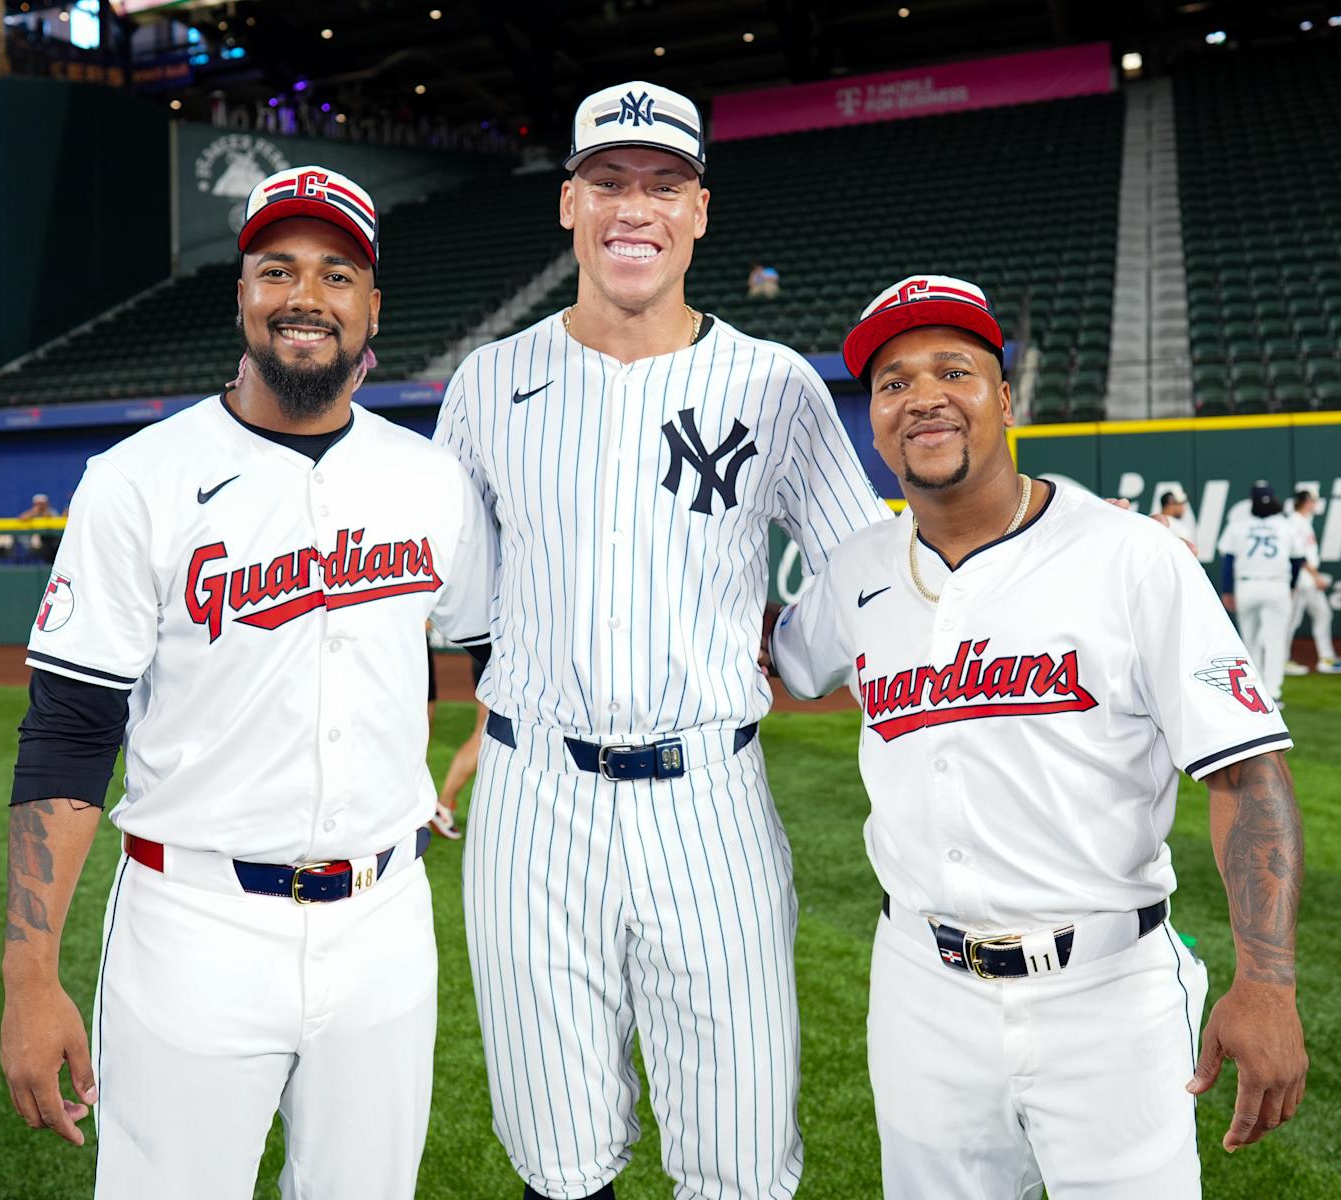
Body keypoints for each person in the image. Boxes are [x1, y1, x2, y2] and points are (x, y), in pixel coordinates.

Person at [0, 164, 494, 1198]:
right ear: (241, 297)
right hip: (193, 927)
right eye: (278, 269)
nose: (305, 295)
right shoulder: (137, 479)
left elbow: (487, 649)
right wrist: (28, 976)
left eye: (336, 274)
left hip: (385, 923)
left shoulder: (431, 480)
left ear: (372, 309)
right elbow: (69, 733)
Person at [434, 80, 887, 1200]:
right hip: (534, 803)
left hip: (709, 799)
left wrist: (791, 656)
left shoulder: (775, 386)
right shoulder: (489, 382)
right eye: (608, 182)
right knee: (556, 1154)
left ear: (699, 212)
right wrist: (490, 711)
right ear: (568, 204)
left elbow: (868, 577)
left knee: (739, 1156)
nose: (634, 207)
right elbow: (457, 598)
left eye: (663, 185)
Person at [770, 274, 1306, 1197]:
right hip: (920, 986)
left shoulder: (1130, 555)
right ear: (876, 427)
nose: (923, 397)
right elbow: (775, 657)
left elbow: (1249, 775)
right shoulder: (856, 571)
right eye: (894, 383)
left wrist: (1268, 982)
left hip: (1107, 988)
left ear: (1006, 399)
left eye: (954, 371)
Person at [1218, 482, 1301, 707]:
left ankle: (1253, 693)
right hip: (1277, 585)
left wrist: (1227, 590)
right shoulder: (1286, 525)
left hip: (1247, 585)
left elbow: (1228, 562)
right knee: (1275, 641)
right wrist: (1291, 586)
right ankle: (1272, 693)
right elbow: (1297, 560)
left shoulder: (1238, 525)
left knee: (1249, 641)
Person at [1283, 488, 1341, 676]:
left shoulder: (1303, 521)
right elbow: (1297, 556)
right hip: (1300, 579)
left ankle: (1326, 658)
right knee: (1291, 620)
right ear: (1307, 502)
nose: (1315, 504)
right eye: (1314, 501)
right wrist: (1316, 576)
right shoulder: (1294, 522)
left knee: (1323, 614)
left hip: (1308, 579)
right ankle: (1281, 660)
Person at [432, 654, 490, 840]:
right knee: (484, 735)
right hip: (499, 661)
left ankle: (442, 804)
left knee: (484, 734)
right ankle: (443, 804)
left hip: (496, 659)